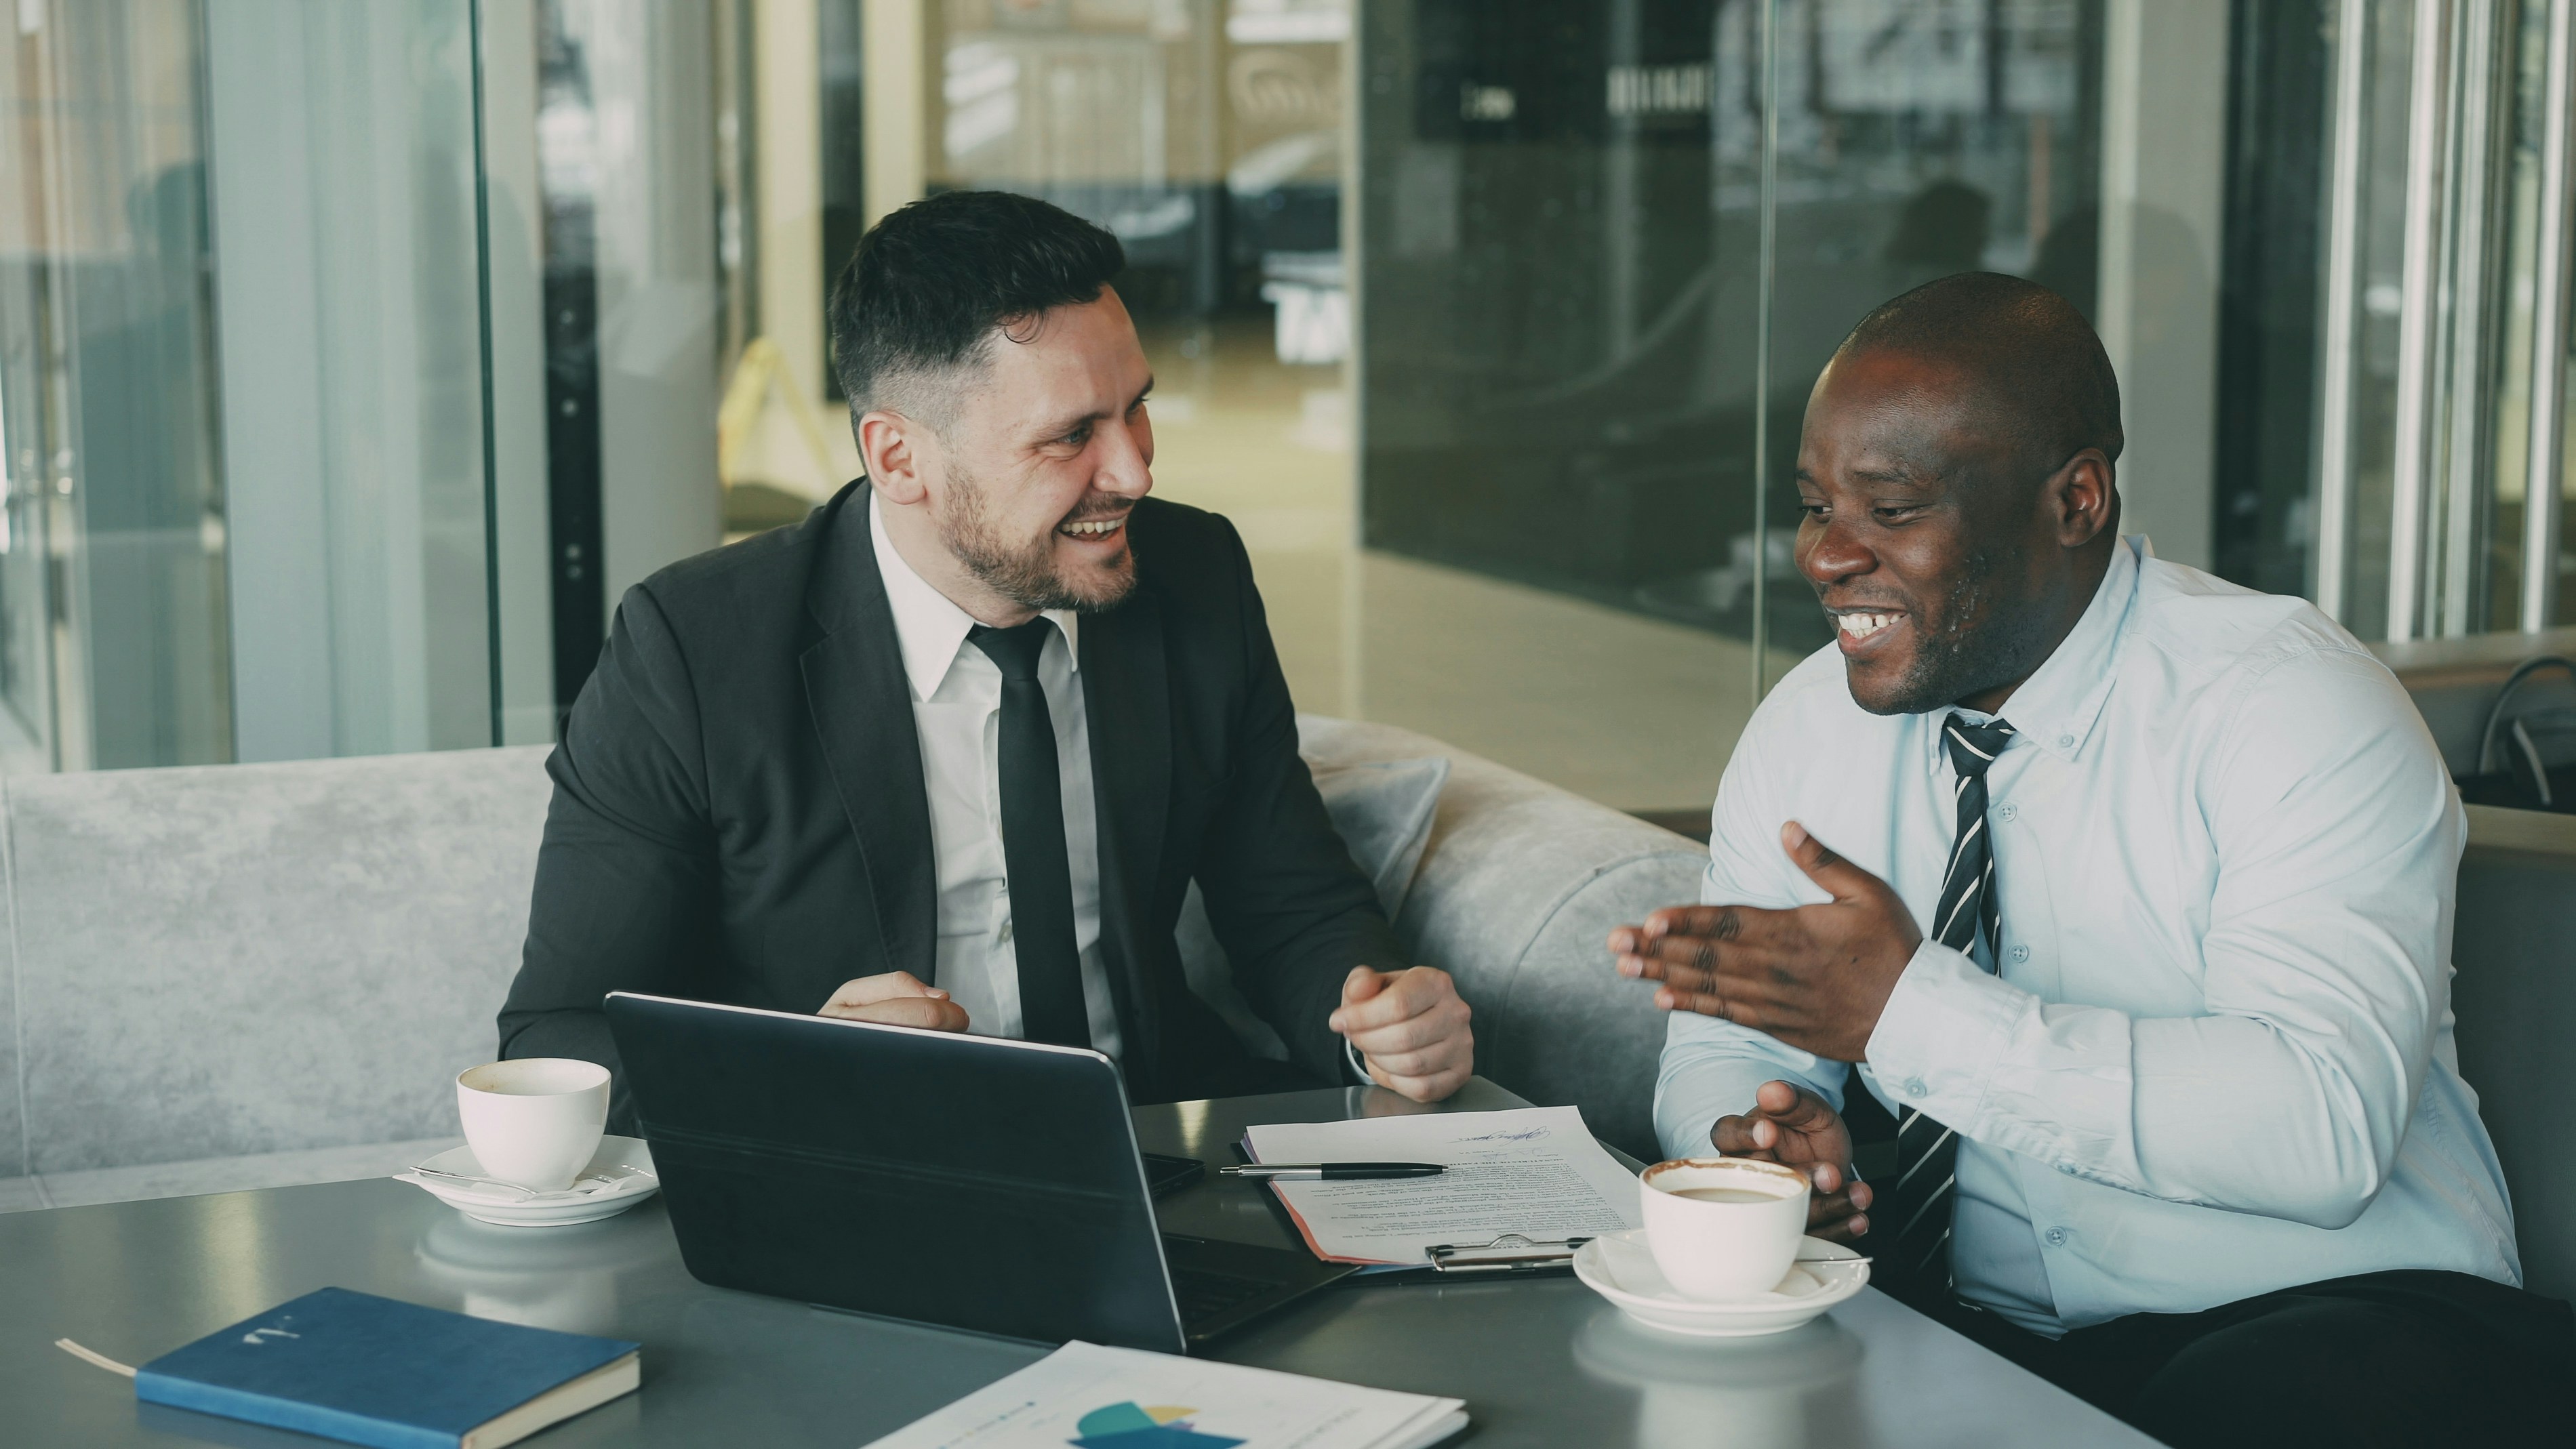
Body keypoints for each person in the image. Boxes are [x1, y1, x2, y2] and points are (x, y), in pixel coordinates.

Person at [1609, 272, 2568, 1446]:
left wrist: (1907, 1012)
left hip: (2337, 1315)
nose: (1825, 556)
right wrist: (1756, 1147)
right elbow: (1726, 1042)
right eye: (1814, 506)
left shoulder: (2294, 705)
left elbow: (2322, 1127)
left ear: (2075, 499)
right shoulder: (1808, 731)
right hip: (1972, 1321)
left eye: (1892, 509)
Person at [499, 190, 1473, 1128]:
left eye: (1136, 408)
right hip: (858, 1176)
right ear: (898, 458)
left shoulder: (1196, 574)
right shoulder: (693, 648)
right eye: (1070, 437)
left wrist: (1379, 1020)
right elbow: (555, 1038)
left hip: (1156, 1151)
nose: (1135, 468)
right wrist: (791, 1071)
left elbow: (1291, 903)